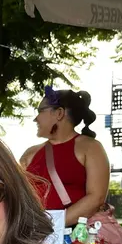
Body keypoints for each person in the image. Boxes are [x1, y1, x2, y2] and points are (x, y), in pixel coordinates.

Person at [20, 87, 110, 226]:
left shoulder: (91, 148)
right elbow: (17, 195)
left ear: (59, 113)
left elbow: (96, 198)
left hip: (76, 235)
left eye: (41, 111)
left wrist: (51, 226)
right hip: (34, 233)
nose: (35, 118)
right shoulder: (30, 153)